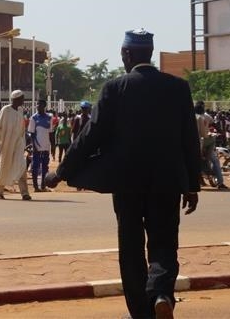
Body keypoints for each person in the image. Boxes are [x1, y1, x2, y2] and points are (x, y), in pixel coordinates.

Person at [45, 29, 200, 319]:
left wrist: (62, 172)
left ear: (127, 55)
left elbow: (92, 135)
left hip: (126, 182)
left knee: (130, 246)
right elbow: (189, 139)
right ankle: (161, 294)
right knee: (164, 242)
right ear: (150, 54)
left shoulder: (115, 88)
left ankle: (141, 311)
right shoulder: (178, 87)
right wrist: (192, 185)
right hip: (168, 181)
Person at [0, 90, 32, 201]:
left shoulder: (20, 110)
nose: (23, 101)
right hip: (6, 144)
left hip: (18, 144)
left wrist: (23, 144)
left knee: (22, 166)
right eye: (22, 98)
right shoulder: (6, 110)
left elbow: (22, 129)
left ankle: (24, 193)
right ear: (16, 99)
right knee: (4, 166)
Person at [195, 101, 227, 190]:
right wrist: (221, 132)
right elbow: (213, 126)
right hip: (206, 140)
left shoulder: (192, 117)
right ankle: (220, 183)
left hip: (195, 142)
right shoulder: (205, 116)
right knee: (215, 161)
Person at [28, 99, 52, 192]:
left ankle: (43, 186)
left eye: (40, 105)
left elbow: (50, 133)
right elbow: (32, 134)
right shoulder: (33, 118)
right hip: (37, 147)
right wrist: (34, 146)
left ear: (44, 106)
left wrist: (52, 145)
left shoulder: (49, 118)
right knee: (35, 167)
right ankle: (35, 187)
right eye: (37, 104)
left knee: (45, 167)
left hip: (46, 147)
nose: (38, 106)